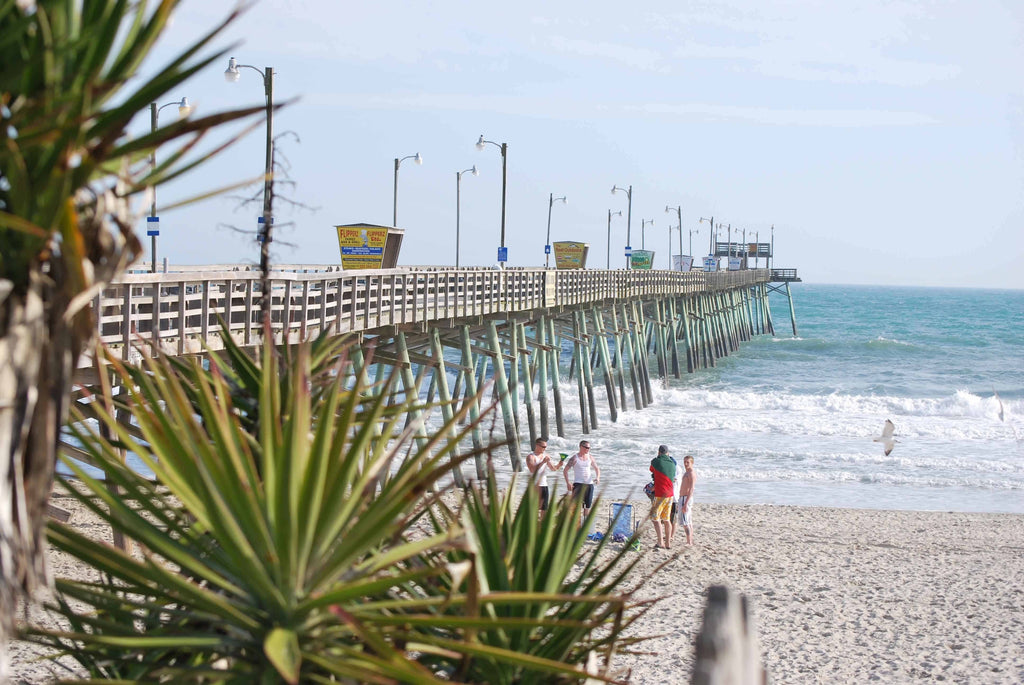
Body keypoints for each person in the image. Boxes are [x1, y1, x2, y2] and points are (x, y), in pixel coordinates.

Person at [563, 440, 601, 524]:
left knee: (587, 506)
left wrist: (597, 477)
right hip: (578, 484)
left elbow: (597, 468)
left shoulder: (590, 457)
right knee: (575, 507)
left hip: (589, 484)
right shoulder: (574, 458)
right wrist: (568, 483)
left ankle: (584, 526)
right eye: (586, 447)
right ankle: (575, 526)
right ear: (581, 447)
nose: (588, 449)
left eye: (589, 448)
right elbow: (565, 470)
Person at [649, 445, 677, 549]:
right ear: (668, 453)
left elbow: (651, 469)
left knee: (655, 519)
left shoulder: (656, 461)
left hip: (660, 494)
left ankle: (660, 542)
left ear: (659, 452)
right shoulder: (673, 464)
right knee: (666, 519)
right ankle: (668, 543)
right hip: (670, 495)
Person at [525, 436, 560, 516]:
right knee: (534, 508)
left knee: (544, 508)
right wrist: (543, 462)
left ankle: (541, 526)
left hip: (544, 485)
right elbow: (532, 470)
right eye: (543, 447)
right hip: (535, 485)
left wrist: (559, 465)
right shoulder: (531, 457)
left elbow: (553, 468)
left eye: (546, 447)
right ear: (537, 445)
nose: (545, 449)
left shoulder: (545, 455)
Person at [678, 455, 697, 546]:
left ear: (692, 463)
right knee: (688, 521)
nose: (685, 464)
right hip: (682, 498)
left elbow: (692, 489)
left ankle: (689, 542)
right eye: (684, 462)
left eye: (687, 462)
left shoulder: (691, 473)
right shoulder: (687, 472)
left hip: (686, 498)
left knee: (686, 522)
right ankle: (689, 541)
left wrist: (685, 503)